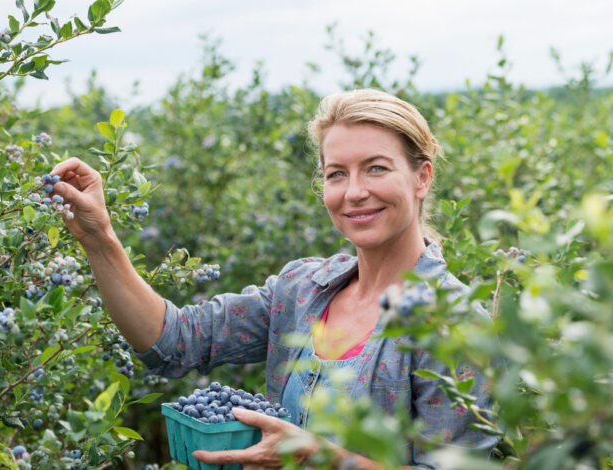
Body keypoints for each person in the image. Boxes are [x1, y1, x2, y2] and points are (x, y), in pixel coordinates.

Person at [50, 88, 499, 469]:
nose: (355, 191)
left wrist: (316, 457)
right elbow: (172, 342)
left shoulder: (454, 325)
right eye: (336, 174)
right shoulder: (299, 291)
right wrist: (99, 237)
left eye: (377, 168)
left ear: (422, 177)